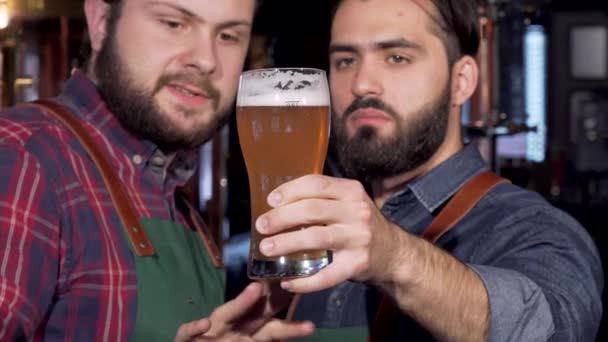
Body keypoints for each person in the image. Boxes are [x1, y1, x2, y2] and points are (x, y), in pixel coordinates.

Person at [252, 0, 604, 340]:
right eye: (345, 60)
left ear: (462, 81)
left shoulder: (532, 228)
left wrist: (395, 256)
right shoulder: (308, 233)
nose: (361, 84)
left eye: (397, 57)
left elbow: (552, 330)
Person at [0, 0, 314, 340]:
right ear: (102, 21)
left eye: (227, 36)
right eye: (173, 23)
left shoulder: (175, 198)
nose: (206, 60)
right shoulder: (22, 157)